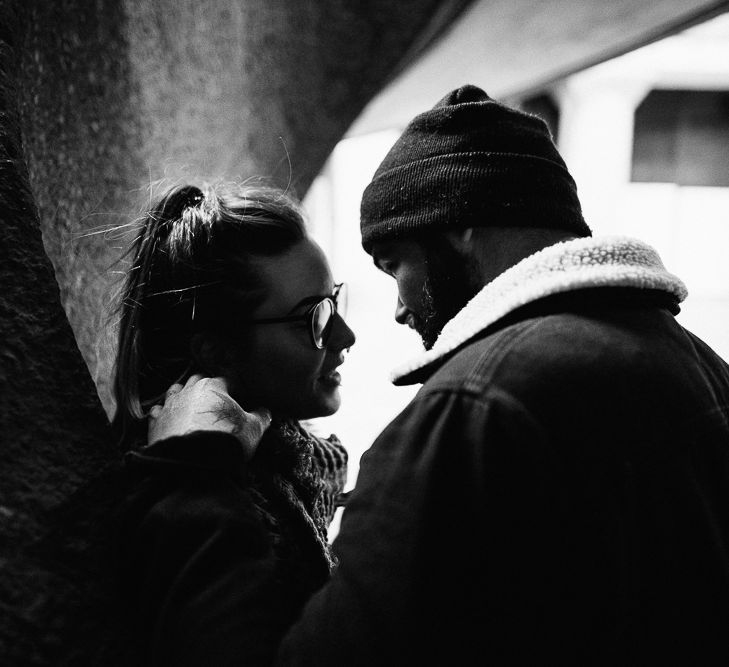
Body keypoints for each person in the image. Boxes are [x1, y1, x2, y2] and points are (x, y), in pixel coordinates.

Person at [155, 86, 729, 665]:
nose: (400, 309)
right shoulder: (700, 363)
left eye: (394, 264)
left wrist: (188, 486)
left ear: (456, 227)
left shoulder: (473, 407)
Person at [111, 182, 355, 666]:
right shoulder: (183, 493)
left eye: (334, 301)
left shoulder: (297, 472)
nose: (346, 336)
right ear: (216, 350)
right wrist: (195, 473)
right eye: (314, 318)